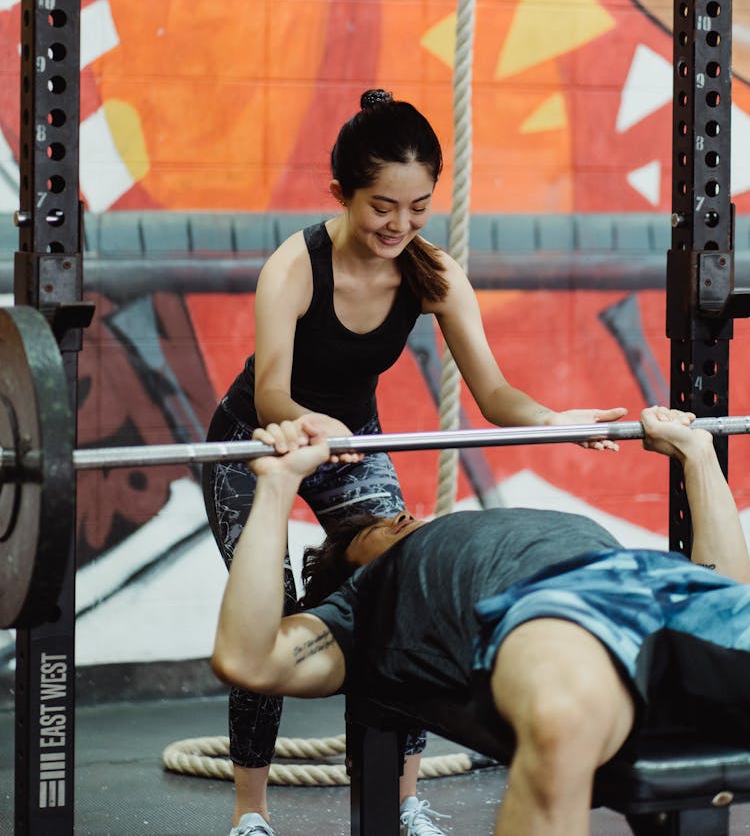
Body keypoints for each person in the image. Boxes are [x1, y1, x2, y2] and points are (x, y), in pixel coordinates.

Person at [202, 89, 627, 836]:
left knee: (400, 585)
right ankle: (251, 811)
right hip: (257, 442)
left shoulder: (431, 273)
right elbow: (271, 390)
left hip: (352, 438)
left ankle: (403, 796)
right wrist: (307, 427)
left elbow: (494, 393)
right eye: (381, 206)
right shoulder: (295, 268)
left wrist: (554, 419)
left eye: (419, 206)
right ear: (342, 193)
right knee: (269, 604)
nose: (400, 225)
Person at [212, 407, 750, 836]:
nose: (400, 515)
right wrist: (278, 485)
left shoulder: (494, 528)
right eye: (373, 531)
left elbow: (727, 590)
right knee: (561, 721)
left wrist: (695, 454)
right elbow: (247, 659)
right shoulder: (364, 605)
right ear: (353, 570)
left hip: (655, 584)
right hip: (558, 612)